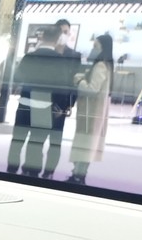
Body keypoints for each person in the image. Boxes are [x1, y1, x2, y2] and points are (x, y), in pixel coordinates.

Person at [7, 26, 73, 179]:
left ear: (42, 38)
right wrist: (60, 106)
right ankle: (32, 171)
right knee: (37, 141)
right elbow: (63, 86)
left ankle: (12, 168)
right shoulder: (60, 61)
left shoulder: (29, 57)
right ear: (57, 40)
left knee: (18, 139)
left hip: (26, 102)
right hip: (45, 105)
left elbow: (17, 77)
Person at [68, 33, 114, 185]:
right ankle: (78, 173)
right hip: (95, 111)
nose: (93, 49)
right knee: (88, 144)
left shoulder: (100, 65)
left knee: (85, 143)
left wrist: (80, 81)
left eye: (95, 46)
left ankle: (78, 174)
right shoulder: (107, 65)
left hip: (91, 111)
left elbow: (92, 89)